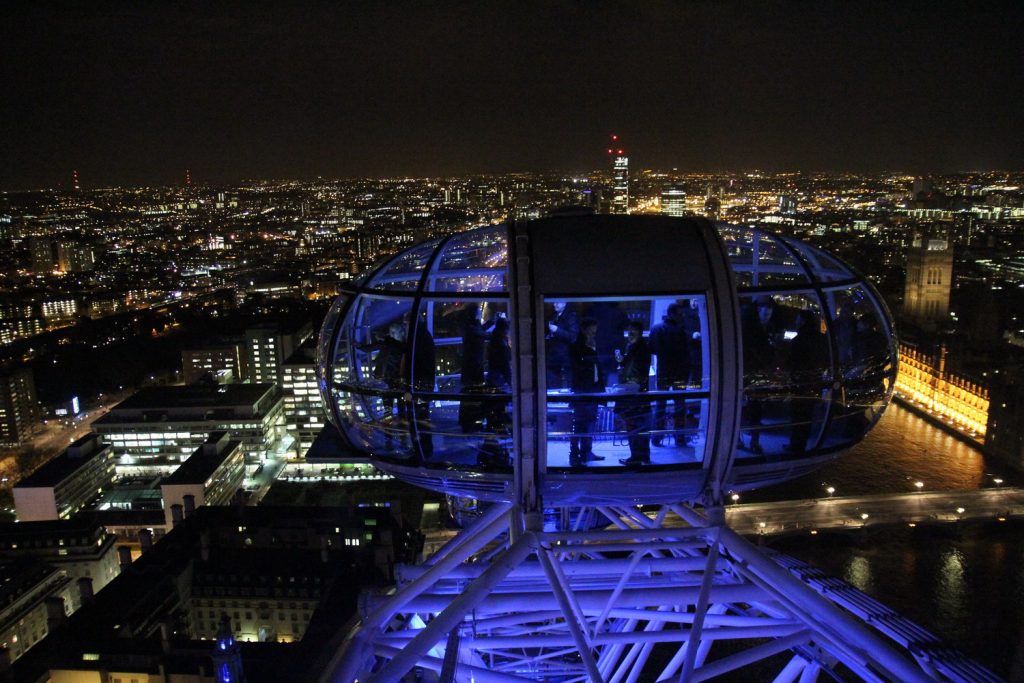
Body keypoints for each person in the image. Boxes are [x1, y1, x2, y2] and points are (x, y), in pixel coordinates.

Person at [786, 309, 828, 453]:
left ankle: (795, 446)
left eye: (798, 319)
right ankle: (800, 446)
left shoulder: (798, 340)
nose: (796, 322)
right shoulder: (822, 339)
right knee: (807, 415)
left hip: (800, 384)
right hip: (815, 383)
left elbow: (791, 363)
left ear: (802, 321)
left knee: (797, 416)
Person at [648, 303, 690, 446]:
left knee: (660, 404)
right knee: (680, 405)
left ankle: (657, 437)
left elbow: (652, 349)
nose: (682, 316)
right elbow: (686, 351)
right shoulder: (681, 330)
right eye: (680, 314)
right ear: (675, 314)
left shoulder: (657, 328)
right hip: (680, 372)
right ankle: (679, 437)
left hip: (663, 370)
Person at [569, 317, 606, 466]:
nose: (593, 334)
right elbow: (579, 369)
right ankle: (576, 454)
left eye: (594, 332)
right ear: (584, 330)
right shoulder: (578, 347)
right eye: (591, 331)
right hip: (584, 389)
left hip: (592, 388)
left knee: (589, 422)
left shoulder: (591, 346)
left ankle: (586, 452)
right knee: (580, 423)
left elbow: (596, 368)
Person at [616, 321, 652, 465]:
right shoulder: (639, 346)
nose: (630, 333)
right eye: (629, 330)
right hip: (638, 391)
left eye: (633, 331)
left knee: (633, 423)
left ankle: (636, 457)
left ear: (640, 332)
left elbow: (632, 369)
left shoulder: (637, 347)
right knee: (640, 424)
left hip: (633, 392)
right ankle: (642, 456)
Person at [545, 302, 578, 389]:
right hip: (554, 357)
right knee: (553, 382)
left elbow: (572, 337)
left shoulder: (571, 317)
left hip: (565, 358)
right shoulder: (554, 316)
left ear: (564, 303)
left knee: (567, 383)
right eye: (554, 302)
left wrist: (557, 330)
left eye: (557, 302)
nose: (554, 304)